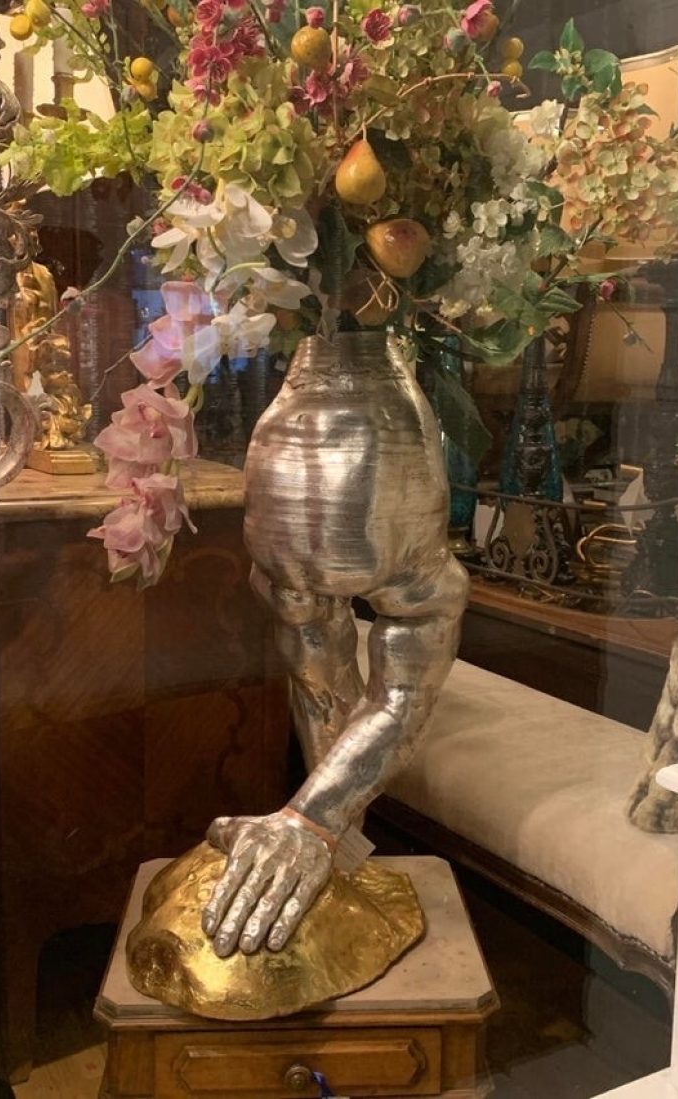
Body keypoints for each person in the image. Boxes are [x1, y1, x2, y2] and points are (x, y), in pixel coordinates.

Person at [202, 332, 469, 957]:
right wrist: (323, 825)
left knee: (316, 634)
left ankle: (328, 846)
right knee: (307, 642)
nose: (309, 589)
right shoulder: (288, 575)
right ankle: (333, 854)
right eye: (290, 580)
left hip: (375, 428)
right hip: (313, 405)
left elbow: (400, 698)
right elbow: (325, 687)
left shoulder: (414, 566)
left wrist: (311, 818)